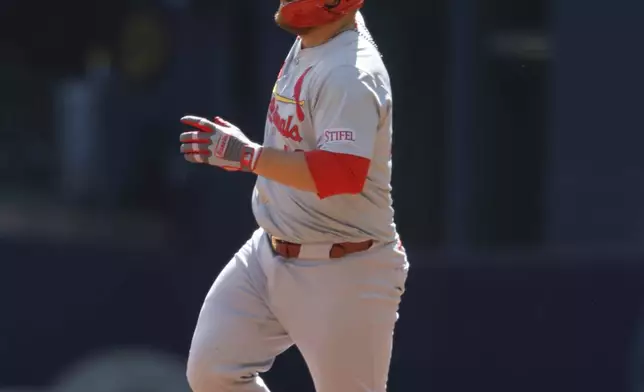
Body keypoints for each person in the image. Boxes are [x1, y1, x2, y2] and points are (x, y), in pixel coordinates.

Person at [179, 1, 409, 391]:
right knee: (213, 372)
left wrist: (247, 155)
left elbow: (342, 174)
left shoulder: (349, 72)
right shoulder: (318, 37)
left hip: (345, 266)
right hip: (268, 251)